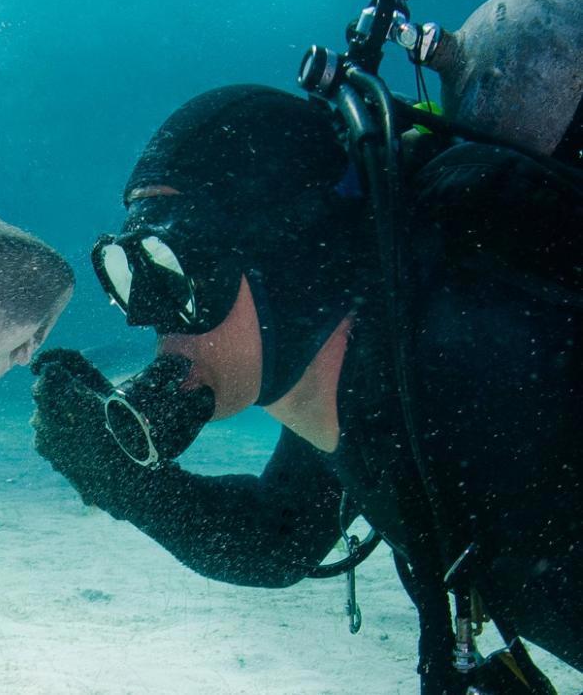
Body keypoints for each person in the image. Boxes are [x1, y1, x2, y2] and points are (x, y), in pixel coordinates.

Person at [30, 81, 582, 695]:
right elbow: (280, 536)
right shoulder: (360, 370)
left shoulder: (492, 377)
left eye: (175, 267)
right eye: (130, 274)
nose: (147, 315)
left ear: (287, 263)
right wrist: (125, 483)